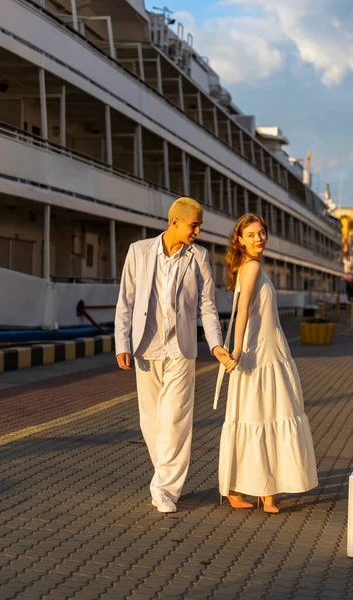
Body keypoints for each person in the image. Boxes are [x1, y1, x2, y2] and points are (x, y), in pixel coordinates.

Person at [115, 197, 236, 513]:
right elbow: (126, 302)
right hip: (146, 348)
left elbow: (207, 306)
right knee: (151, 420)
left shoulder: (198, 257)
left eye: (199, 226)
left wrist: (215, 344)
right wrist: (122, 344)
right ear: (175, 222)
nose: (197, 231)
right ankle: (164, 478)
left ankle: (165, 489)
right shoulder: (139, 252)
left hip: (182, 349)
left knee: (176, 420)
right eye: (194, 225)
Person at [218, 213, 318, 512]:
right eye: (251, 234)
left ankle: (261, 489)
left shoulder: (253, 266)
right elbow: (244, 309)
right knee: (260, 415)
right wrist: (237, 350)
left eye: (261, 232)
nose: (258, 238)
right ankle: (253, 490)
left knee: (267, 414)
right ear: (240, 239)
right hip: (259, 352)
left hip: (272, 349)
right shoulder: (250, 267)